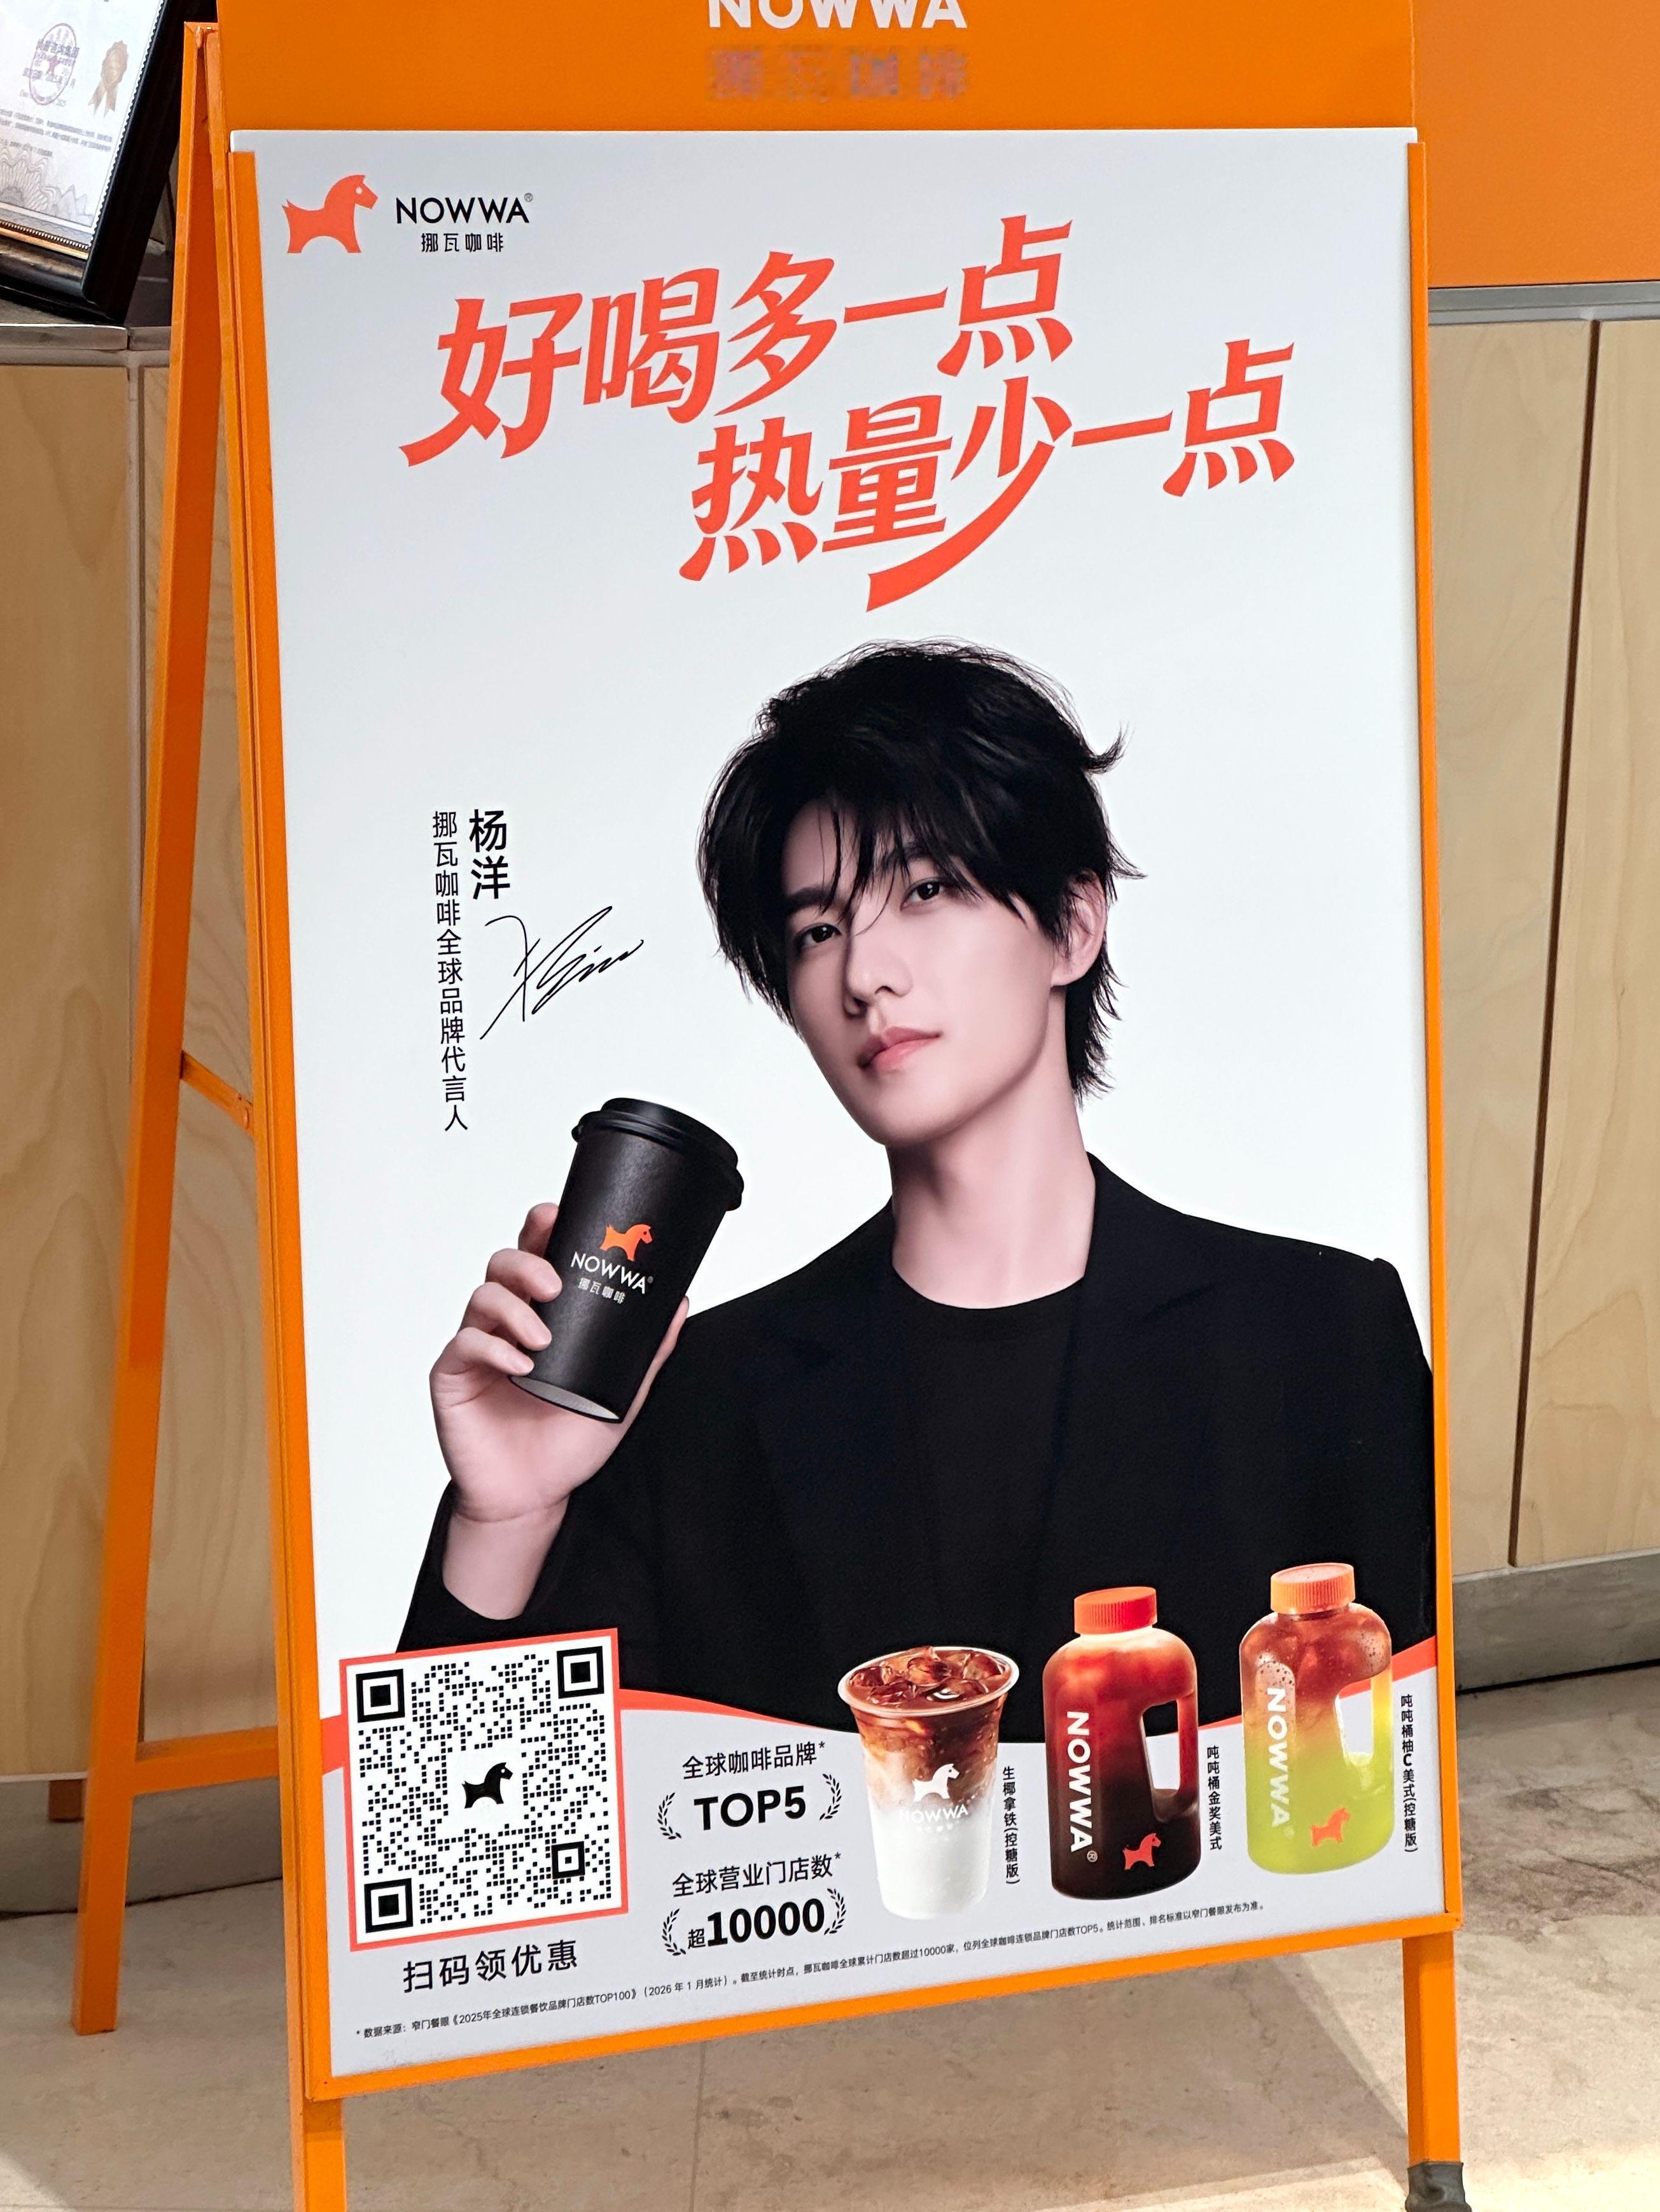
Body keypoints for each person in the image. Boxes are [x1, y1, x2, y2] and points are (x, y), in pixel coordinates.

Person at [401, 641, 1434, 1739]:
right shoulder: (696, 1400)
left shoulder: (1321, 1336)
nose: (864, 974)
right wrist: (504, 1520)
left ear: (1072, 926)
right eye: (817, 930)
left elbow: (1413, 1780)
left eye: (927, 889)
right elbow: (488, 1834)